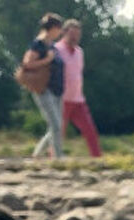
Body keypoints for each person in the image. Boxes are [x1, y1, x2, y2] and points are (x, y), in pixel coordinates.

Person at [55, 19, 102, 157]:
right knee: (59, 132)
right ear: (64, 33)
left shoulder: (80, 52)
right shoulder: (57, 49)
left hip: (78, 99)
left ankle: (97, 158)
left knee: (90, 130)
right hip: (62, 98)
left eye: (77, 34)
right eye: (72, 33)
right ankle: (54, 159)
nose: (75, 37)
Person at [23, 13, 65, 159]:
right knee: (56, 125)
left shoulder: (52, 45)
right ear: (53, 28)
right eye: (60, 28)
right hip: (44, 90)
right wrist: (46, 60)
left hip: (57, 90)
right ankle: (58, 158)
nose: (61, 32)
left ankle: (37, 154)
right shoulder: (38, 44)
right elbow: (27, 64)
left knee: (55, 126)